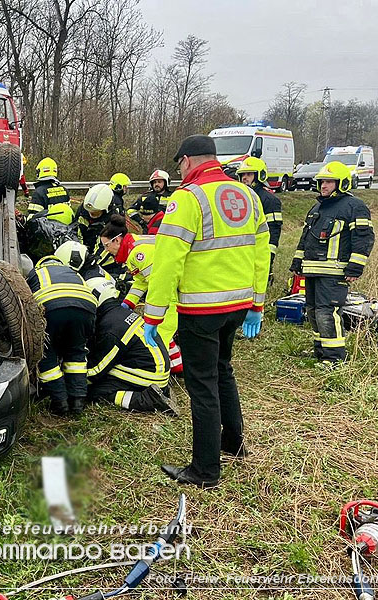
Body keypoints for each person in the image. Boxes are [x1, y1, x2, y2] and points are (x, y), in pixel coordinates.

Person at [144, 134, 271, 488]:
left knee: (202, 386)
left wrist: (153, 316)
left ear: (186, 161)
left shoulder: (186, 199)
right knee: (223, 370)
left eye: (179, 164)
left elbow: (167, 263)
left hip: (200, 310)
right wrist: (256, 304)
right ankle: (234, 443)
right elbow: (262, 254)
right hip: (238, 307)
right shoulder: (248, 195)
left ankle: (205, 470)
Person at [290, 161, 374, 364]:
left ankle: (334, 358)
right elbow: (305, 238)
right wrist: (297, 261)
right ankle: (321, 352)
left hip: (335, 272)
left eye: (329, 182)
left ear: (342, 183)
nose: (324, 186)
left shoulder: (355, 206)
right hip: (312, 271)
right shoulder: (317, 207)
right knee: (312, 312)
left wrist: (355, 266)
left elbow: (363, 238)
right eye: (321, 182)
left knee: (327, 313)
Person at [99, 219, 182, 372]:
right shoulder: (132, 248)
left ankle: (169, 367)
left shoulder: (138, 253)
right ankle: (177, 365)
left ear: (116, 240)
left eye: (106, 245)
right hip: (170, 287)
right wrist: (128, 303)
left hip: (172, 292)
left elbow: (158, 285)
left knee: (161, 332)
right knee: (161, 331)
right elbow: (141, 281)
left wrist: (154, 312)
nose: (106, 250)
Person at [86, 279, 178, 415]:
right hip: (156, 370)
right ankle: (158, 391)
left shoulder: (111, 326)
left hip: (149, 375)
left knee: (96, 391)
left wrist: (73, 379)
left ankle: (149, 400)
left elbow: (97, 369)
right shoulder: (118, 314)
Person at [27, 255, 97, 415]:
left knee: (46, 354)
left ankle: (60, 403)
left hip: (51, 307)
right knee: (76, 353)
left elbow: (25, 299)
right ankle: (78, 401)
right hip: (86, 308)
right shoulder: (73, 272)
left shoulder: (35, 273)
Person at [236, 157, 282, 279]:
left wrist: (269, 258)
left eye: (249, 174)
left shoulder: (270, 200)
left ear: (259, 176)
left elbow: (273, 230)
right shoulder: (238, 197)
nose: (245, 177)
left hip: (258, 251)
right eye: (242, 174)